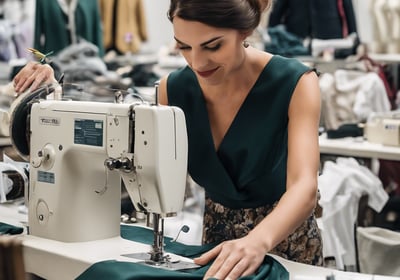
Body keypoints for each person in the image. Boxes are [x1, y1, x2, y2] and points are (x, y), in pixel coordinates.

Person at [13, 0, 323, 279]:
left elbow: (304, 188)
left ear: (245, 31)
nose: (197, 62)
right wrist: (53, 96)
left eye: (213, 46)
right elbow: (126, 148)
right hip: (215, 249)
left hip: (288, 246)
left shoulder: (296, 83)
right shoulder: (172, 91)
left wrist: (257, 241)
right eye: (183, 47)